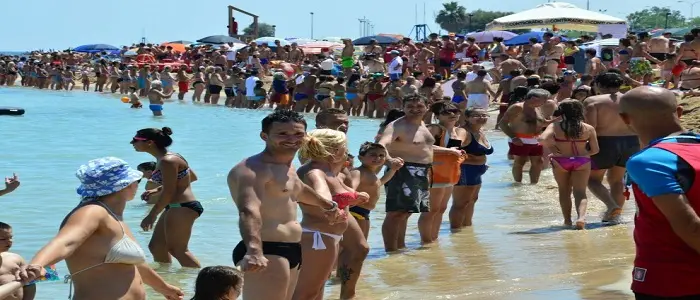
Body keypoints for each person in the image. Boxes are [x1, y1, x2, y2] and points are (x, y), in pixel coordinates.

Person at [19, 157, 183, 300]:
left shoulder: (114, 217)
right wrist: (37, 264)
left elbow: (136, 265)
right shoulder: (92, 211)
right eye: (137, 181)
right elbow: (66, 242)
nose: (137, 185)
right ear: (124, 185)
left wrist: (164, 288)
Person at [227, 110, 342, 300]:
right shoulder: (252, 169)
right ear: (264, 136)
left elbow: (298, 190)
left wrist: (327, 205)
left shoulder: (286, 167)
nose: (292, 139)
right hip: (265, 250)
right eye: (282, 134)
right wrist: (254, 250)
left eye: (298, 134)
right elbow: (248, 210)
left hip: (291, 249)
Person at [619, 86, 700, 299]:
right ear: (680, 112)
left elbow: (690, 227)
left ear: (625, 119)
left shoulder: (649, 161)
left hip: (670, 279)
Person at [293, 129, 369, 300]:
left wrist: (357, 197)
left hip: (328, 237)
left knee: (318, 290)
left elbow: (341, 193)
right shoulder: (315, 172)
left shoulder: (331, 172)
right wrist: (331, 207)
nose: (347, 150)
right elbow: (323, 195)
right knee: (306, 293)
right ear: (335, 150)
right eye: (345, 146)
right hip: (317, 238)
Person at [378, 95, 453, 252]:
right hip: (404, 171)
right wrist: (390, 160)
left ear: (427, 107)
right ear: (403, 108)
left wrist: (450, 151)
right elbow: (381, 144)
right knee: (395, 213)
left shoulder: (422, 125)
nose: (414, 109)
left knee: (406, 213)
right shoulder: (398, 125)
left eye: (419, 106)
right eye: (410, 106)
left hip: (422, 172)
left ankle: (400, 247)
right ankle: (391, 250)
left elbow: (423, 148)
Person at [132, 127, 202, 268]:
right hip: (175, 207)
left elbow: (169, 192)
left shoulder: (167, 161)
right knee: (156, 246)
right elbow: (190, 178)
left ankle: (204, 282)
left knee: (178, 250)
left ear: (150, 142)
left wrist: (152, 215)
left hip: (182, 206)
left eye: (136, 140)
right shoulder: (170, 157)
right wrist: (157, 189)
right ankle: (167, 278)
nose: (132, 143)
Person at [583, 72, 638, 223]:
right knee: (617, 180)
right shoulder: (631, 99)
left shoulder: (593, 101)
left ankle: (611, 206)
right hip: (631, 142)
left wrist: (586, 146)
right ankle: (614, 217)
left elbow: (591, 127)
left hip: (604, 142)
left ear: (599, 85)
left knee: (592, 180)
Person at [539, 100, 599, 229]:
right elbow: (595, 150)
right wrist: (584, 152)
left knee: (564, 191)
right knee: (580, 192)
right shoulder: (588, 128)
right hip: (582, 161)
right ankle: (581, 218)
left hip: (561, 160)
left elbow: (541, 139)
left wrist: (553, 147)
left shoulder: (555, 126)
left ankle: (567, 221)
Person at [419, 101, 466, 242]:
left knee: (441, 208)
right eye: (447, 112)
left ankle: (434, 239)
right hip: (433, 172)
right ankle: (426, 242)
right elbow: (421, 146)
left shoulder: (460, 131)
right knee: (431, 210)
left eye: (455, 112)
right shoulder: (434, 128)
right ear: (438, 115)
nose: (452, 115)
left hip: (449, 174)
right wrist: (448, 151)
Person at [450, 108, 494, 228]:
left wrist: (481, 163)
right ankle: (455, 232)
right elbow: (453, 149)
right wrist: (473, 159)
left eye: (484, 114)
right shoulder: (462, 131)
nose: (481, 117)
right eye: (476, 115)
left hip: (476, 171)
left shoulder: (480, 131)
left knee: (471, 201)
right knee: (460, 204)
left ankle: (467, 231)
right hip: (465, 170)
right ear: (467, 118)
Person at [498, 89, 552, 184]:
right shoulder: (517, 107)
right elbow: (502, 123)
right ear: (534, 98)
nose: (545, 102)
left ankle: (533, 184)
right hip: (519, 138)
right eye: (544, 99)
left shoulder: (537, 108)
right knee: (520, 162)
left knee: (539, 162)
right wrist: (514, 137)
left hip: (535, 139)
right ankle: (518, 184)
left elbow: (542, 123)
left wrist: (555, 121)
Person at [0, 222, 36, 300]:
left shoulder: (15, 258)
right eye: (3, 239)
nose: (9, 241)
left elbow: (30, 283)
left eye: (10, 237)